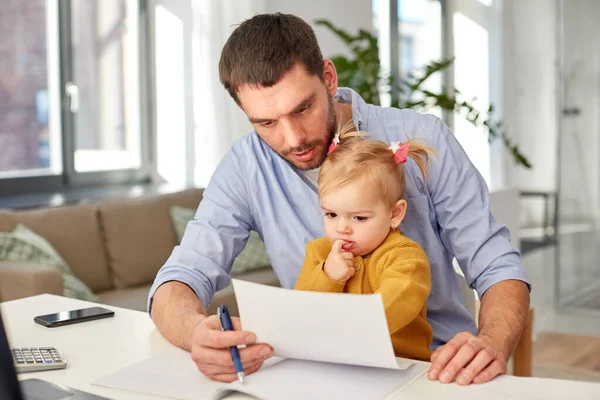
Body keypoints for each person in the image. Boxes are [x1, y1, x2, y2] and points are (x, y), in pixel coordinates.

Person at [148, 12, 531, 386]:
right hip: (318, 377)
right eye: (266, 122)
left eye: (302, 108)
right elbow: (181, 276)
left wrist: (492, 342)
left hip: (435, 371)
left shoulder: (422, 136)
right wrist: (195, 331)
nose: (293, 138)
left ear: (328, 78)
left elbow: (495, 264)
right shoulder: (245, 166)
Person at [294, 127, 435, 362]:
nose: (342, 228)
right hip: (336, 363)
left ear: (395, 214)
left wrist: (340, 333)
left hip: (401, 366)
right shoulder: (319, 252)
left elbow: (393, 303)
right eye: (331, 214)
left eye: (359, 218)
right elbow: (300, 311)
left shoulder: (406, 258)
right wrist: (329, 276)